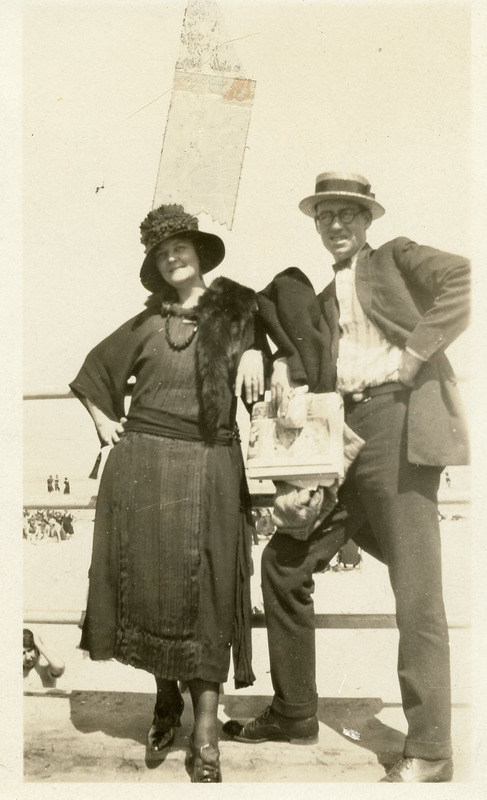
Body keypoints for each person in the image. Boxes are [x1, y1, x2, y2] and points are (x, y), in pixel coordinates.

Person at [224, 172, 470, 783]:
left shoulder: (395, 258)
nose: (337, 225)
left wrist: (414, 357)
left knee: (416, 590)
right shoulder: (323, 299)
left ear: (368, 221)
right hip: (341, 439)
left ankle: (431, 748)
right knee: (284, 563)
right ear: (315, 223)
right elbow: (264, 310)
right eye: (326, 215)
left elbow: (465, 279)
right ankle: (295, 711)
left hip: (398, 427)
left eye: (348, 214)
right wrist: (268, 353)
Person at [69, 204, 264, 783]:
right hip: (144, 468)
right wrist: (103, 419)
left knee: (207, 591)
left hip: (210, 465)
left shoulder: (238, 311)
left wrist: (257, 352)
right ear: (156, 263)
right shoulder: (146, 322)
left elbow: (275, 352)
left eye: (181, 245)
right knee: (151, 588)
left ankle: (206, 729)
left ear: (200, 252)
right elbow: (91, 372)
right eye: (162, 251)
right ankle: (166, 701)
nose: (173, 255)